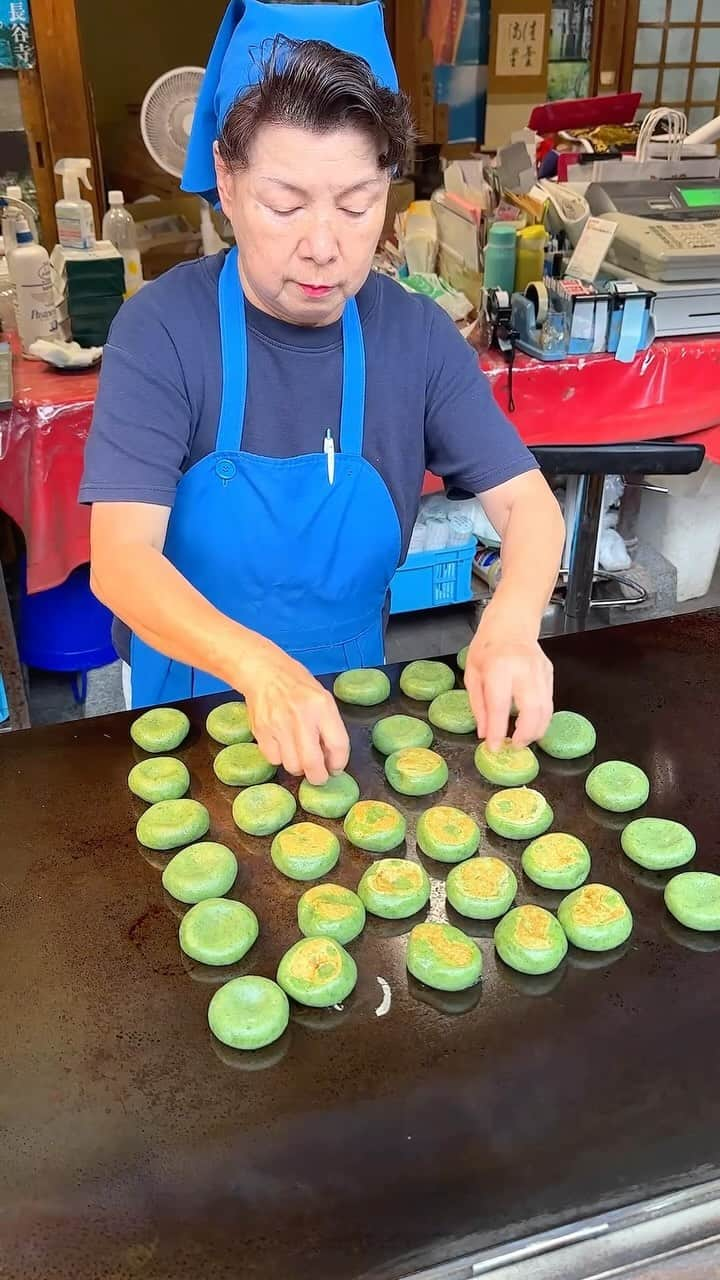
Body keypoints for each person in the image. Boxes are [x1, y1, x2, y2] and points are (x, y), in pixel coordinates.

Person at [82, 0, 564, 786]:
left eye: (355, 205)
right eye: (284, 204)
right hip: (189, 712)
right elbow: (122, 561)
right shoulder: (161, 332)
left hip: (352, 720)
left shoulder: (415, 337)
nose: (323, 246)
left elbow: (530, 507)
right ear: (228, 183)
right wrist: (259, 669)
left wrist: (510, 624)